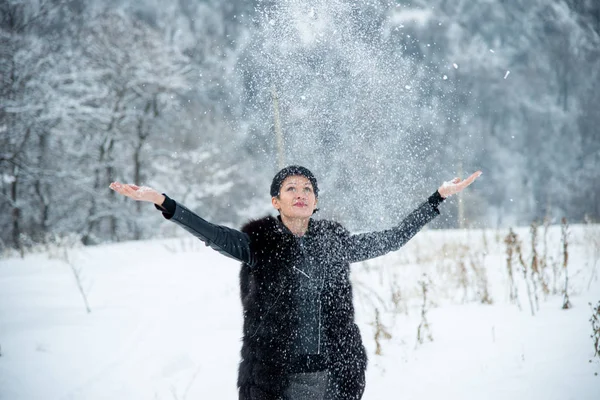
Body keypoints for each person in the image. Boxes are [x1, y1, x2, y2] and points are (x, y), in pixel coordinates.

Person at [109, 166, 481, 400]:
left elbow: (393, 238)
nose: (300, 193)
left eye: (307, 188)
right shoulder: (258, 244)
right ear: (276, 200)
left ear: (316, 202)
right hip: (276, 379)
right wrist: (163, 202)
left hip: (333, 376)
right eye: (291, 188)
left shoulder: (334, 244)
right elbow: (211, 233)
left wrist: (437, 199)